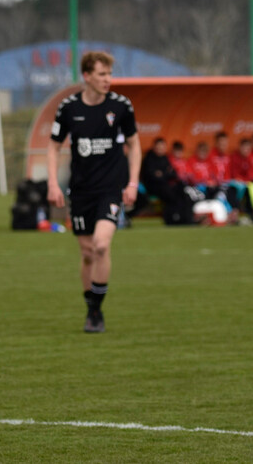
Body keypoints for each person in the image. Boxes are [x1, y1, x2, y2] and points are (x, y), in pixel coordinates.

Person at [47, 50, 141, 333]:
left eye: (110, 74)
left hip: (110, 190)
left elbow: (135, 145)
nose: (107, 79)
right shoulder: (69, 108)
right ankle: (91, 307)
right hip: (81, 191)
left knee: (101, 245)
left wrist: (133, 182)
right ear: (86, 76)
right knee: (87, 253)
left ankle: (96, 312)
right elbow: (54, 145)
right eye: (101, 74)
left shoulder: (121, 106)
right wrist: (53, 183)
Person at [140, 137, 193, 226]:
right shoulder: (149, 158)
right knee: (170, 195)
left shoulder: (165, 158)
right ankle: (171, 219)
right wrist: (165, 174)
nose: (161, 149)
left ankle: (186, 219)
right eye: (159, 146)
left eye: (163, 146)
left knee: (183, 193)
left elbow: (173, 174)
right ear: (154, 147)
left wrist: (162, 174)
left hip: (165, 185)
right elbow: (152, 176)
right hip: (153, 187)